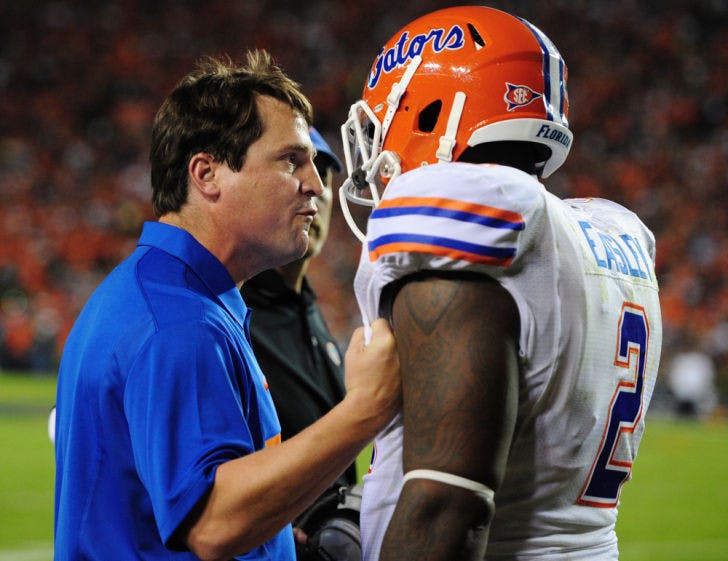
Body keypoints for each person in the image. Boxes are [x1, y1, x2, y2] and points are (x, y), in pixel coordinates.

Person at [338, 6, 662, 561]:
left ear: (430, 111)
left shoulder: (464, 222)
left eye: (385, 118)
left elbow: (446, 505)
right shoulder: (613, 232)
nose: (376, 143)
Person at [53, 50, 401, 561]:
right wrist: (366, 410)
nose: (314, 185)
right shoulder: (178, 323)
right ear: (207, 174)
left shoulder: (166, 292)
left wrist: (277, 532)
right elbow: (214, 524)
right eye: (291, 161)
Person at [241, 126, 359, 558]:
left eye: (326, 174)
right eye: (297, 166)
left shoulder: (308, 308)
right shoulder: (231, 314)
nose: (318, 190)